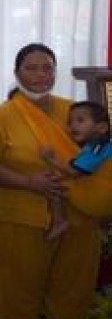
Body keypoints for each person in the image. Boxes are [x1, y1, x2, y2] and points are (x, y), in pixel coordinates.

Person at [0, 44, 112, 319]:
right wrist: (30, 182)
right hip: (21, 218)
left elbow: (100, 155)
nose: (41, 76)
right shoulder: (3, 115)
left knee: (70, 293)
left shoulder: (75, 111)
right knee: (19, 289)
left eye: (48, 68)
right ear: (17, 72)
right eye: (32, 68)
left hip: (78, 219)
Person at [39, 101, 111, 241]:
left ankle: (59, 221)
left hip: (99, 198)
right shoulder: (94, 147)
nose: (73, 126)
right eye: (70, 122)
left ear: (102, 128)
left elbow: (74, 172)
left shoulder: (98, 147)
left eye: (80, 120)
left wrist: (50, 159)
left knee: (53, 184)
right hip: (101, 197)